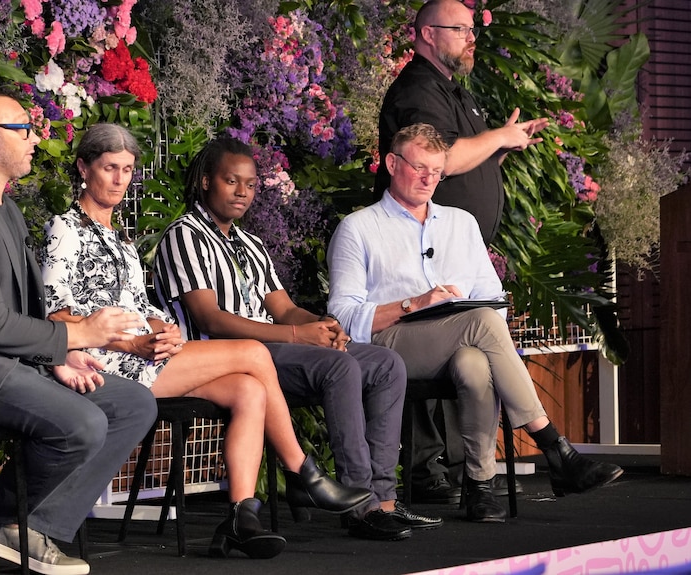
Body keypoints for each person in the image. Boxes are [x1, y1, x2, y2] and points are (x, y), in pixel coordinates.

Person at [40, 123, 372, 559]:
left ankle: (241, 515)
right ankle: (302, 473)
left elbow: (141, 305)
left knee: (249, 388)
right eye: (109, 168)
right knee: (253, 354)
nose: (120, 179)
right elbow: (55, 312)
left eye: (126, 169)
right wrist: (129, 341)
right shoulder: (65, 228)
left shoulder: (119, 236)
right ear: (84, 168)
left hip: (150, 354)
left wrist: (164, 327)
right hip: (108, 361)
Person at [0, 86, 158, 575]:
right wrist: (77, 337)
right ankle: (6, 514)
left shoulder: (5, 208)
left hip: (2, 361)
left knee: (131, 403)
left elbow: (21, 312)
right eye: (21, 128)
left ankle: (24, 524)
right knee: (82, 423)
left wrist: (57, 356)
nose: (35, 138)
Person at [327, 123, 624, 523]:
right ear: (392, 163)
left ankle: (479, 487)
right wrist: (414, 304)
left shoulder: (460, 223)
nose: (428, 179)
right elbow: (342, 316)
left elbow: (494, 299)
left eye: (437, 171)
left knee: (474, 361)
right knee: (481, 323)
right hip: (387, 343)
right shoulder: (358, 228)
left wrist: (462, 315)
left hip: (459, 336)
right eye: (418, 168)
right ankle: (553, 446)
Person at [154, 137, 442, 542]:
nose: (242, 192)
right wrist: (296, 335)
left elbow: (286, 309)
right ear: (205, 182)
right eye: (231, 181)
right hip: (224, 359)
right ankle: (360, 508)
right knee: (339, 367)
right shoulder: (184, 235)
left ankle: (383, 499)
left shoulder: (249, 244)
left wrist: (323, 326)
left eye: (251, 184)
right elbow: (211, 319)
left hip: (276, 349)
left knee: (383, 363)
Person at [373, 0, 550, 502]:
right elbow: (442, 161)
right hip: (416, 242)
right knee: (448, 337)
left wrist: (504, 140)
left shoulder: (453, 91)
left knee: (469, 354)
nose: (471, 38)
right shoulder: (417, 89)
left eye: (473, 30)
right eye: (460, 29)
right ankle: (444, 466)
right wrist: (498, 136)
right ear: (427, 34)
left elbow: (464, 154)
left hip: (453, 242)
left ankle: (465, 471)